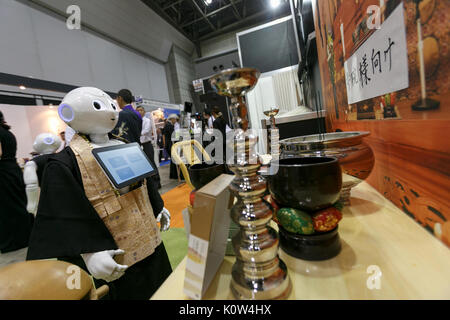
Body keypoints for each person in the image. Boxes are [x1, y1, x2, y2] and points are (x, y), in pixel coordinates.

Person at [26, 87, 172, 299]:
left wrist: (158, 206)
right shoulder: (65, 163)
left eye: (112, 106)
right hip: (115, 251)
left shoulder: (123, 144)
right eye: (98, 106)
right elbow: (67, 211)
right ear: (68, 113)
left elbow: (143, 182)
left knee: (164, 286)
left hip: (150, 237)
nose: (111, 112)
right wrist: (90, 252)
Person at [109, 89, 169, 223]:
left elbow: (119, 135)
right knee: (144, 183)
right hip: (137, 150)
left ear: (120, 98)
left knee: (132, 188)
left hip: (125, 153)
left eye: (117, 99)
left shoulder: (122, 115)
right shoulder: (137, 115)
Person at [0, 111, 34, 253]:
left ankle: (15, 241)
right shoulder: (7, 132)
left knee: (8, 208)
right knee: (18, 204)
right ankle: (27, 236)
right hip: (12, 170)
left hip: (3, 173)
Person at [136, 106, 161, 189]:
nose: (139, 111)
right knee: (144, 164)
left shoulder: (147, 121)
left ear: (144, 111)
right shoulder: (136, 121)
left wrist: (137, 134)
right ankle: (149, 185)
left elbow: (146, 131)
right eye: (137, 110)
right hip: (139, 145)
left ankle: (157, 182)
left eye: (141, 110)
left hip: (147, 145)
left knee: (151, 163)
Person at [162, 114, 179, 180]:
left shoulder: (167, 124)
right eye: (175, 119)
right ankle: (175, 175)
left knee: (173, 160)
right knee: (174, 160)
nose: (175, 121)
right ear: (172, 119)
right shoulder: (169, 125)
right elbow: (173, 135)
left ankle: (173, 175)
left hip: (168, 145)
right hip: (170, 145)